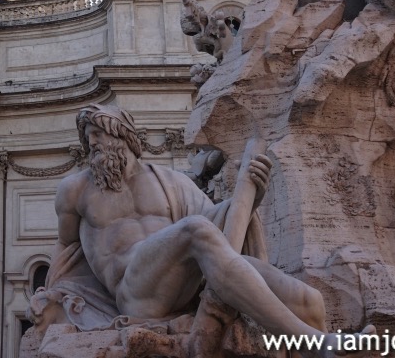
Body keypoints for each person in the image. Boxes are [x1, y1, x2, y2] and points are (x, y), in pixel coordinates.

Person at [48, 103, 352, 354]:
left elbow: (218, 229)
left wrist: (251, 200)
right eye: (88, 137)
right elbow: (67, 248)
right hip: (133, 295)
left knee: (308, 300)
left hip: (183, 283)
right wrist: (52, 298)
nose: (92, 143)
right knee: (194, 229)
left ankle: (330, 345)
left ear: (122, 135)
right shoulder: (75, 189)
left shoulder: (170, 181)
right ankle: (313, 341)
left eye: (98, 133)